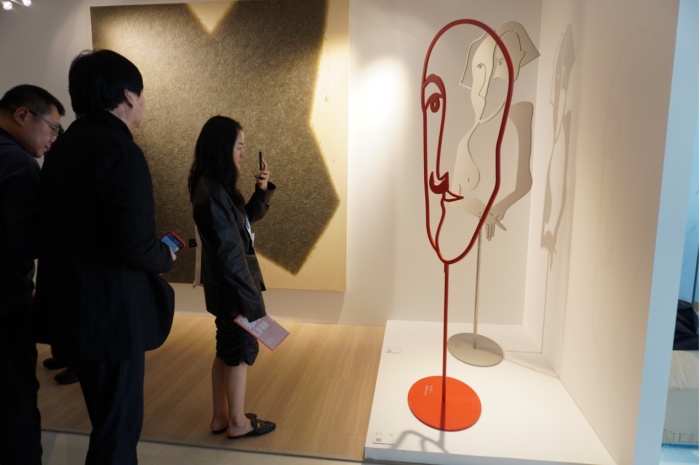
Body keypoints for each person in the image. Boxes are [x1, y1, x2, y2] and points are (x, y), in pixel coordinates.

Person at [34, 49, 175, 465]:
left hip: (69, 308)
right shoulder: (119, 150)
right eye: (142, 94)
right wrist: (165, 255)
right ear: (128, 95)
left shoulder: (62, 148)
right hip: (111, 315)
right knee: (118, 430)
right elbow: (136, 243)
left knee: (106, 420)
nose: (143, 103)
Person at [188, 115, 276, 439]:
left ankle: (220, 417)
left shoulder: (213, 187)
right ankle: (237, 422)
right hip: (234, 289)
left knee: (225, 351)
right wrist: (252, 304)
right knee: (238, 354)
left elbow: (242, 225)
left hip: (226, 289)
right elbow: (232, 255)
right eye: (238, 146)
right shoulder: (213, 192)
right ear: (222, 147)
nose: (243, 153)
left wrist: (261, 191)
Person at [0, 84, 64, 465]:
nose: (53, 139)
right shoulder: (19, 165)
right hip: (6, 305)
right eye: (52, 128)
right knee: (16, 404)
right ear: (22, 115)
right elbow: (28, 241)